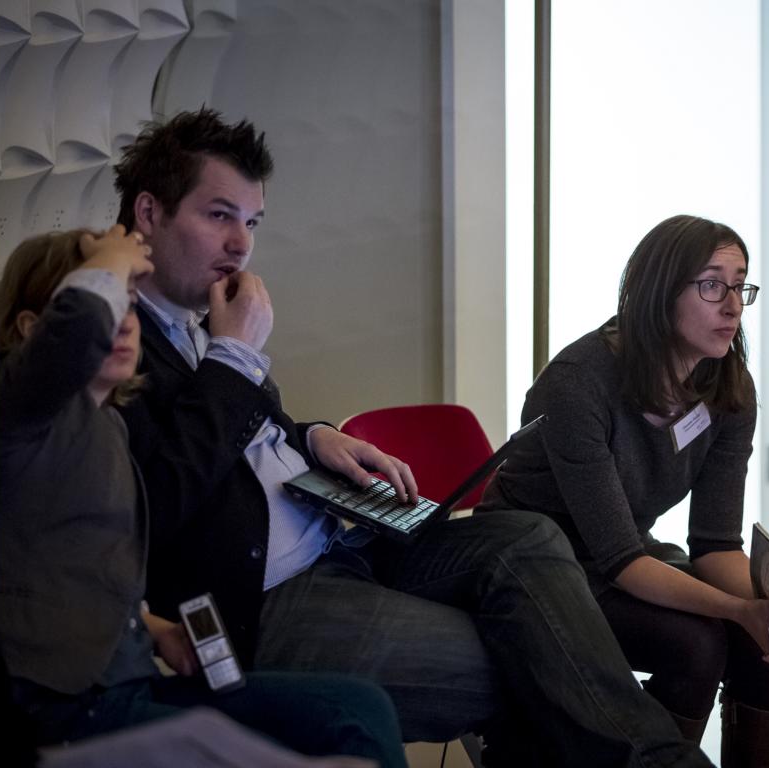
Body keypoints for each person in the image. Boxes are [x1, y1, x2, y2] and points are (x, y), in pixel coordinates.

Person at [112, 107, 711, 767]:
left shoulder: (200, 318)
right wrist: (235, 359)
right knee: (517, 660)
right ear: (148, 213)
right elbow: (157, 500)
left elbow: (244, 437)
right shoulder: (112, 345)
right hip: (264, 599)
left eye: (251, 223)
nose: (240, 246)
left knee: (531, 538)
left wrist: (313, 439)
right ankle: (665, 761)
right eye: (218, 215)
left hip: (338, 538)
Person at [0, 226, 407, 767]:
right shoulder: (19, 418)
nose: (122, 322)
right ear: (31, 331)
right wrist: (115, 257)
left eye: (131, 304)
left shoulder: (110, 425)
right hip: (69, 712)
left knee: (358, 709)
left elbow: (75, 565)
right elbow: (74, 334)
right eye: (106, 301)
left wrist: (153, 627)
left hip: (128, 683)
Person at [477, 215, 769, 767]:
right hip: (535, 564)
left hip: (623, 553)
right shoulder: (578, 380)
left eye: (740, 285)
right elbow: (620, 561)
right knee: (698, 642)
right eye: (712, 285)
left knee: (766, 647)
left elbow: (714, 544)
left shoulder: (727, 384)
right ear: (660, 292)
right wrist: (738, 609)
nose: (732, 305)